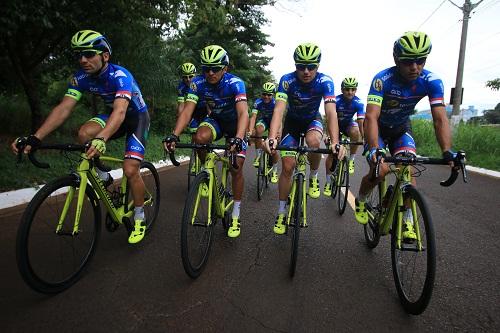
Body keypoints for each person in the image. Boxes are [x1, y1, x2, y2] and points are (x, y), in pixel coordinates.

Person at [11, 30, 150, 244]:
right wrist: (36, 137)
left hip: (135, 118)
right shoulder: (81, 78)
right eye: (79, 55)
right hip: (112, 115)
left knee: (130, 168)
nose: (82, 60)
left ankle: (140, 216)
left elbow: (121, 111)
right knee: (84, 133)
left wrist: (102, 138)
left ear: (105, 56)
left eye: (88, 54)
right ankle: (103, 176)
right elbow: (64, 108)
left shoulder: (120, 75)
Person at [354, 31, 455, 242]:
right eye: (408, 61)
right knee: (380, 170)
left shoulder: (432, 81)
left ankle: (407, 219)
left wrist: (446, 151)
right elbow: (371, 117)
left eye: (420, 61)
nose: (415, 67)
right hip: (379, 129)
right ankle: (362, 198)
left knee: (408, 169)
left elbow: (439, 118)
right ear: (396, 59)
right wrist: (374, 148)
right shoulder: (383, 80)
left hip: (401, 129)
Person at [164, 45, 249, 238]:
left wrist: (238, 136)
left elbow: (243, 112)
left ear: (224, 68)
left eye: (215, 68)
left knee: (236, 167)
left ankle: (235, 212)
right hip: (217, 121)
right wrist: (174, 134)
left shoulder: (236, 83)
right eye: (206, 68)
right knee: (199, 138)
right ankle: (206, 172)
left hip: (236, 125)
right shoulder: (197, 83)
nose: (210, 73)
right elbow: (187, 110)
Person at [264, 42, 345, 235]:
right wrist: (271, 137)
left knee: (314, 142)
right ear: (295, 66)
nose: (306, 71)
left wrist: (335, 141)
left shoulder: (326, 81)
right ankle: (282, 212)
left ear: (318, 65)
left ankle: (314, 177)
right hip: (292, 123)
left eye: (311, 67)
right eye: (301, 66)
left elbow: (331, 112)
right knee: (287, 167)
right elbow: (279, 109)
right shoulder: (286, 80)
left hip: (312, 121)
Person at [323, 76, 365, 196]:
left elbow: (361, 121)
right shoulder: (336, 100)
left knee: (355, 131)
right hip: (335, 126)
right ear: (342, 90)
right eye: (347, 89)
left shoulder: (359, 103)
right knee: (332, 153)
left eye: (352, 89)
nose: (350, 92)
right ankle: (328, 181)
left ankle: (351, 160)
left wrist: (364, 138)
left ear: (356, 90)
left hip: (347, 125)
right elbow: (329, 119)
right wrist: (327, 134)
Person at [247, 82, 279, 183]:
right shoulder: (258, 102)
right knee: (258, 130)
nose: (266, 96)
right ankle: (258, 156)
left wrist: (278, 132)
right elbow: (253, 117)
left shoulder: (276, 103)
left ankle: (274, 170)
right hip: (264, 121)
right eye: (264, 94)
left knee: (272, 147)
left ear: (273, 95)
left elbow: (279, 119)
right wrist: (250, 131)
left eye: (269, 94)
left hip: (274, 122)